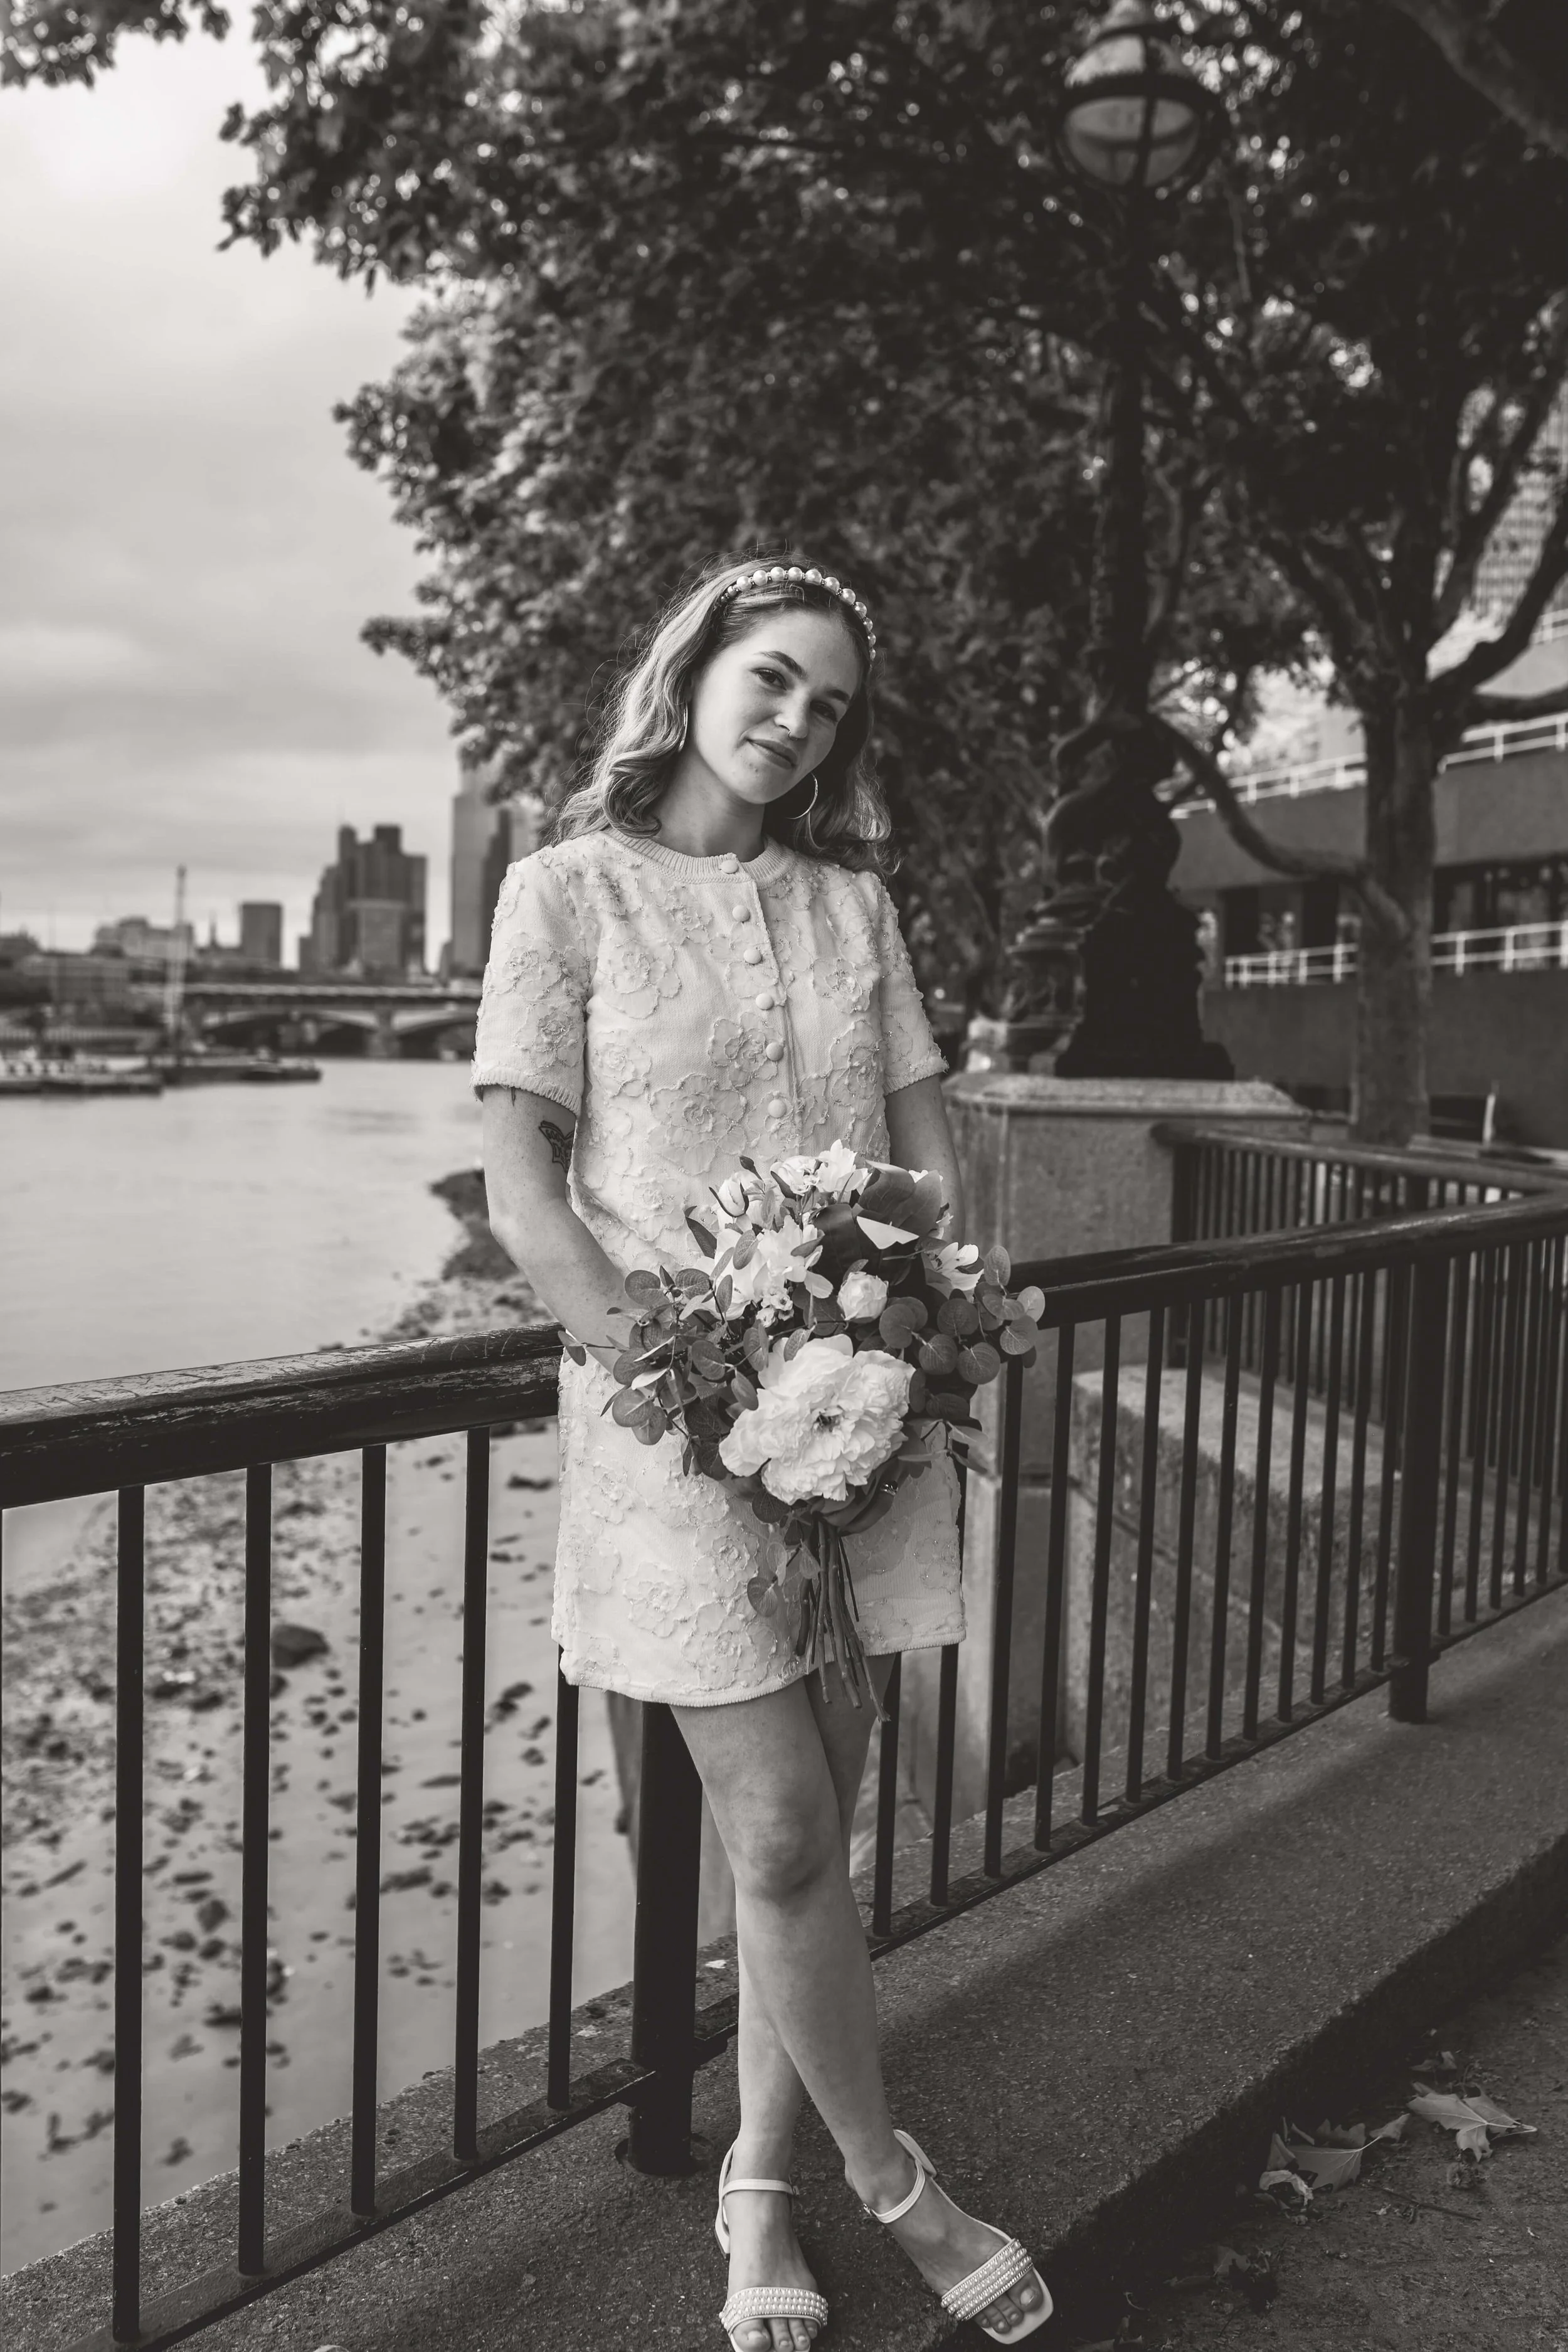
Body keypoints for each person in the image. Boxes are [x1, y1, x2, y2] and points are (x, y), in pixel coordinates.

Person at [475, 555, 1051, 2350]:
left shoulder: (851, 910)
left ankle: (759, 2187)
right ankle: (898, 2186)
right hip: (676, 1434)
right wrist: (688, 1380)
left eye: (829, 703)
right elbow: (524, 1192)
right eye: (772, 675)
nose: (795, 718)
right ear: (697, 666)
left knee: (809, 1842)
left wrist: (913, 1334)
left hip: (869, 1415)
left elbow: (924, 1155)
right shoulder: (563, 892)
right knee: (787, 1827)